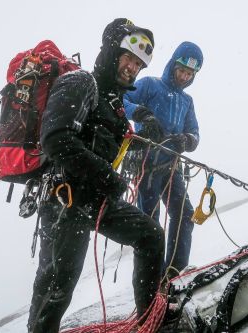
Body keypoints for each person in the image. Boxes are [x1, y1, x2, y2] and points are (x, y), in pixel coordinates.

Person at [27, 18, 165, 333]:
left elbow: (111, 150)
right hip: (65, 200)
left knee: (151, 237)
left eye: (139, 63)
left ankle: (148, 321)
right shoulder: (80, 83)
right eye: (128, 57)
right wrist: (107, 178)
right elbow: (56, 139)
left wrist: (148, 137)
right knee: (57, 285)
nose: (133, 66)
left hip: (95, 199)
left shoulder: (113, 104)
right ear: (111, 52)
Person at [124, 41, 203, 278]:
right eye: (181, 70)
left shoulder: (187, 101)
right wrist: (142, 114)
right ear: (173, 65)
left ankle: (173, 275)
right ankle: (151, 281)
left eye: (190, 74)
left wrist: (186, 140)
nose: (184, 77)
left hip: (172, 168)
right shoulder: (150, 85)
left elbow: (195, 134)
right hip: (146, 166)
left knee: (184, 216)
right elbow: (121, 100)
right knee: (151, 225)